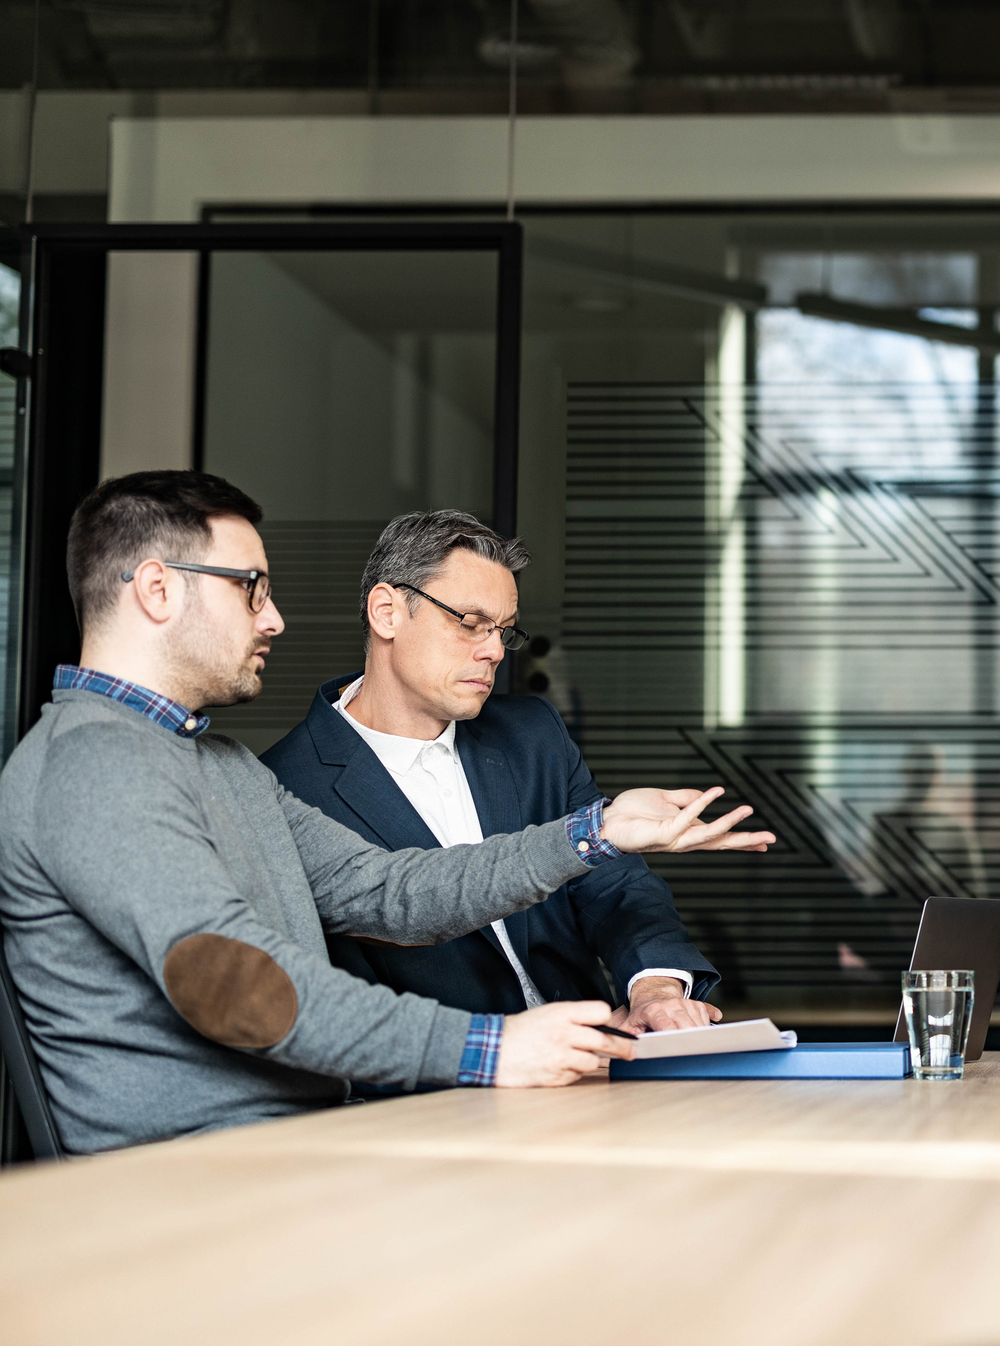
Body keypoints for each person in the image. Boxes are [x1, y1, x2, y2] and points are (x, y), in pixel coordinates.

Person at [0, 472, 776, 1154]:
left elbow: (391, 892)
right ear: (159, 589)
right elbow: (236, 988)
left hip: (312, 1149)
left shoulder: (219, 764)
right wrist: (490, 1048)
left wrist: (589, 833)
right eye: (252, 588)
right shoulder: (92, 763)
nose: (273, 619)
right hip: (210, 1181)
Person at [260, 511, 724, 1037]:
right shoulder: (281, 788)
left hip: (598, 1068)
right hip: (437, 1098)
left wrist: (655, 992)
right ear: (387, 612)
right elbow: (332, 1004)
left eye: (504, 631)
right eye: (470, 623)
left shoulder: (533, 733)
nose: (495, 650)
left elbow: (613, 885)